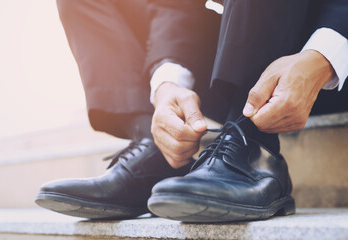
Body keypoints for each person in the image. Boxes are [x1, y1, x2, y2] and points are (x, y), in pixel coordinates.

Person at [35, 0, 348, 222]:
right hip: (245, 35)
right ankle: (159, 144)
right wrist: (168, 83)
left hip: (333, 56)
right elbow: (176, 6)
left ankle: (253, 143)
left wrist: (323, 56)